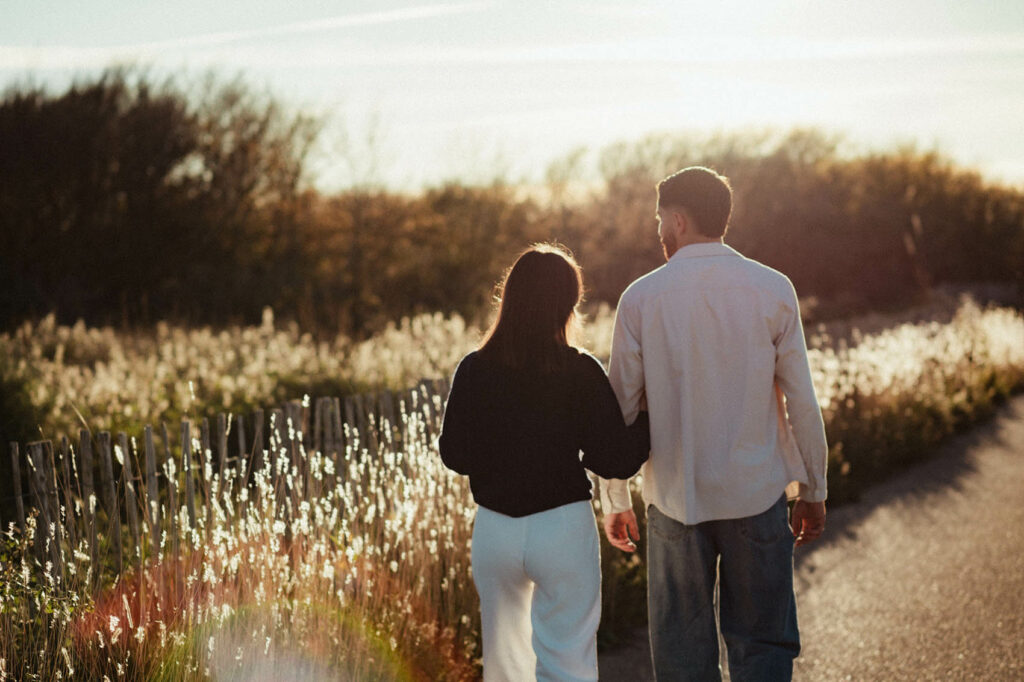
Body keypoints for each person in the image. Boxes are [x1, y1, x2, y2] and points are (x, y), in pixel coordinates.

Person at [598, 167, 828, 681]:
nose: (659, 230)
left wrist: (615, 498)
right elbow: (802, 400)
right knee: (763, 646)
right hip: (756, 495)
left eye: (660, 219)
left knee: (682, 657)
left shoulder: (640, 298)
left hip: (674, 500)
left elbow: (620, 411)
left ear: (678, 221)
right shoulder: (772, 288)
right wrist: (814, 488)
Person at [439, 243, 650, 682]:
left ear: (510, 297)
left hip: (495, 529)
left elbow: (454, 454)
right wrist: (647, 416)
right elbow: (614, 458)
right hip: (562, 527)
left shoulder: (474, 369)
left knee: (504, 665)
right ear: (569, 303)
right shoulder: (579, 370)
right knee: (567, 660)